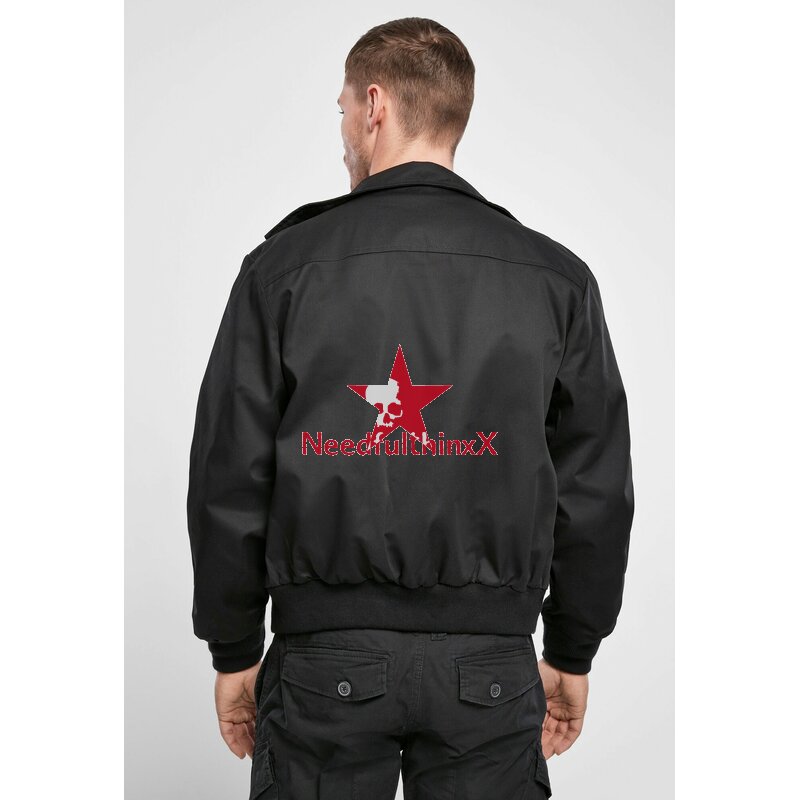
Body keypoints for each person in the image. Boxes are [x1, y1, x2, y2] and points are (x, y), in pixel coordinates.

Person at [187, 16, 634, 800]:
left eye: (341, 111)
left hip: (323, 663)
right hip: (488, 668)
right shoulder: (555, 281)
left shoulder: (281, 270)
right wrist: (571, 649)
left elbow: (230, 473)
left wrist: (234, 649)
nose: (343, 132)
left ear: (375, 106)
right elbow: (595, 485)